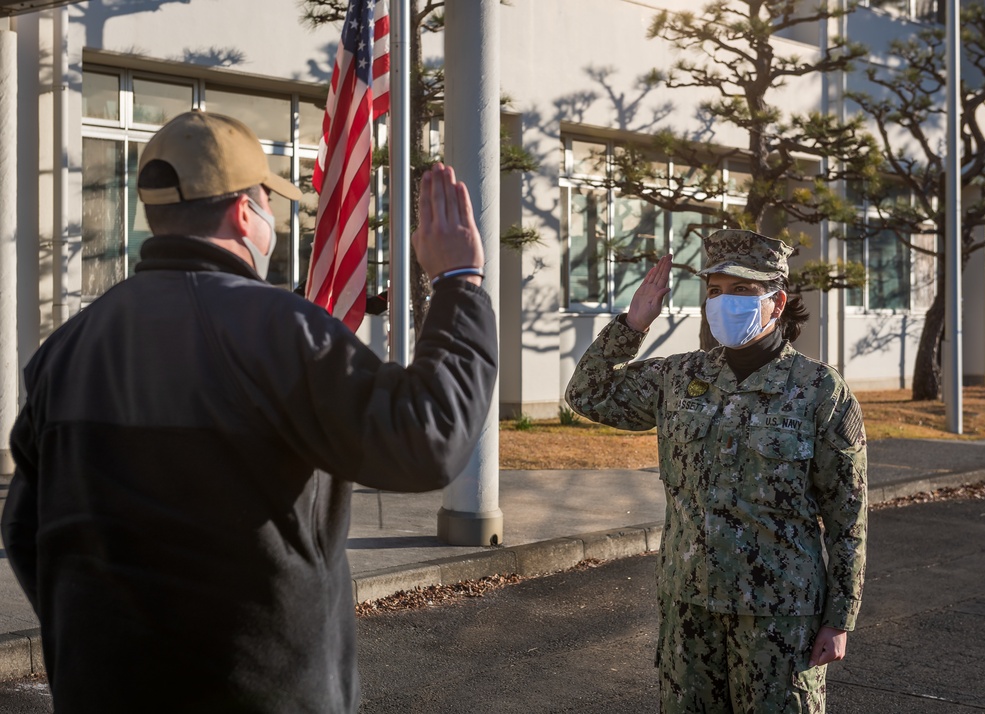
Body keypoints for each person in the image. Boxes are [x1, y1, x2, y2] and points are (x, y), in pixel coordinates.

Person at [1, 110, 497, 713]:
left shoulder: (68, 349)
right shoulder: (279, 331)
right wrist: (459, 282)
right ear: (245, 211)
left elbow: (27, 532)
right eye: (269, 199)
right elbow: (427, 439)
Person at [565, 229, 867, 713]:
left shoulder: (819, 390)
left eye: (743, 291)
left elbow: (847, 516)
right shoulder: (681, 377)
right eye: (715, 291)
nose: (725, 302)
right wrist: (632, 324)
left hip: (779, 617)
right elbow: (586, 394)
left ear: (777, 301)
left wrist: (839, 618)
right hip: (689, 608)